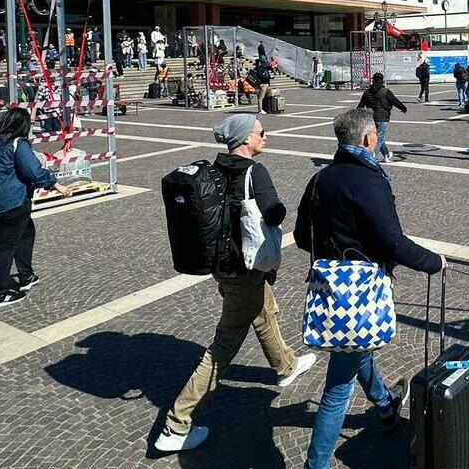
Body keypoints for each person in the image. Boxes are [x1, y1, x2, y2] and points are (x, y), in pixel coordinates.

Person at [154, 114, 318, 454]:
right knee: (223, 346)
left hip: (222, 265)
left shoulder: (214, 169)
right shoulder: (253, 172)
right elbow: (274, 213)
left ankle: (285, 366)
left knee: (264, 309)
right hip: (245, 268)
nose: (265, 137)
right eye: (261, 132)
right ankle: (176, 425)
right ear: (245, 139)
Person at [293, 108, 445, 469]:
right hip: (358, 291)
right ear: (367, 139)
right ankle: (315, 465)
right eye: (375, 135)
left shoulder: (320, 180)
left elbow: (302, 236)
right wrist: (433, 262)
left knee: (356, 350)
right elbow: (393, 242)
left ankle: (388, 408)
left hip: (331, 290)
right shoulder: (369, 180)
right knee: (337, 390)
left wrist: (333, 251)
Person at [0, 108, 73, 309]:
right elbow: (33, 171)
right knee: (6, 247)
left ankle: (26, 276)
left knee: (26, 231)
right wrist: (56, 185)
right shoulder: (17, 143)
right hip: (10, 202)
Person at [357, 72, 407, 162]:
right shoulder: (385, 91)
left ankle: (386, 154)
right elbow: (395, 101)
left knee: (379, 137)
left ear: (373, 80)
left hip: (370, 118)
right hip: (382, 118)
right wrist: (403, 108)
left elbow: (361, 105)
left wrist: (356, 115)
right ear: (382, 81)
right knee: (378, 138)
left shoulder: (367, 92)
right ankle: (372, 157)